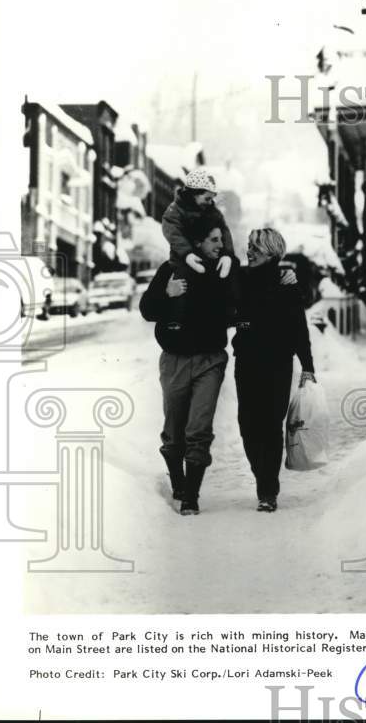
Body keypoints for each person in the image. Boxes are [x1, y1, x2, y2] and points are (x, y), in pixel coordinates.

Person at [140, 214, 230, 515]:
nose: (221, 245)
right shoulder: (171, 269)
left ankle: (191, 496)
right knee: (173, 430)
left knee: (199, 428)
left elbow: (244, 298)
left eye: (221, 239)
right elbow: (147, 310)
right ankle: (178, 484)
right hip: (175, 361)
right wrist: (167, 294)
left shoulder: (222, 269)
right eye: (215, 240)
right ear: (198, 243)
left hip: (210, 361)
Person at [233, 228, 316, 512]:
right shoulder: (241, 278)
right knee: (247, 424)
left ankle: (268, 489)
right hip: (246, 362)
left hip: (277, 364)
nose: (249, 252)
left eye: (256, 248)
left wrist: (308, 366)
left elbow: (298, 328)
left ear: (271, 252)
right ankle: (263, 477)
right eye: (249, 247)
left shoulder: (286, 283)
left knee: (270, 426)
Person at [161, 168, 239, 329]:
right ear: (194, 194)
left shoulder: (211, 210)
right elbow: (173, 234)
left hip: (208, 257)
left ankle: (228, 315)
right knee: (182, 284)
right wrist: (187, 254)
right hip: (184, 259)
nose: (210, 202)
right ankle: (177, 323)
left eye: (212, 199)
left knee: (225, 276)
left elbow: (223, 229)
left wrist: (227, 254)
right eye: (207, 198)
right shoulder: (175, 210)